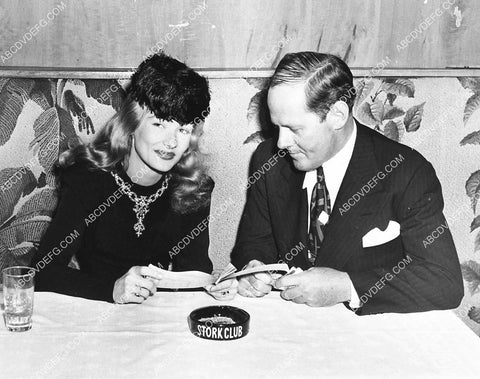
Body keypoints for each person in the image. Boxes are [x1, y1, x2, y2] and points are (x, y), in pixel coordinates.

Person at [231, 51, 463, 314]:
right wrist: (252, 269)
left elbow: (445, 281)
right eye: (277, 127)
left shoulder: (406, 172)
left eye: (294, 129)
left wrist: (347, 286)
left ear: (338, 115)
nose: (282, 143)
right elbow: (254, 243)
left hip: (371, 335)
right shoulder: (268, 160)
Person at [33, 53, 237, 303]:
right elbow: (43, 273)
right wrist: (110, 289)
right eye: (159, 124)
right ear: (133, 121)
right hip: (95, 314)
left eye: (182, 129)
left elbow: (193, 272)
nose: (171, 142)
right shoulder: (88, 179)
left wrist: (212, 287)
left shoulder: (193, 187)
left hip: (157, 321)